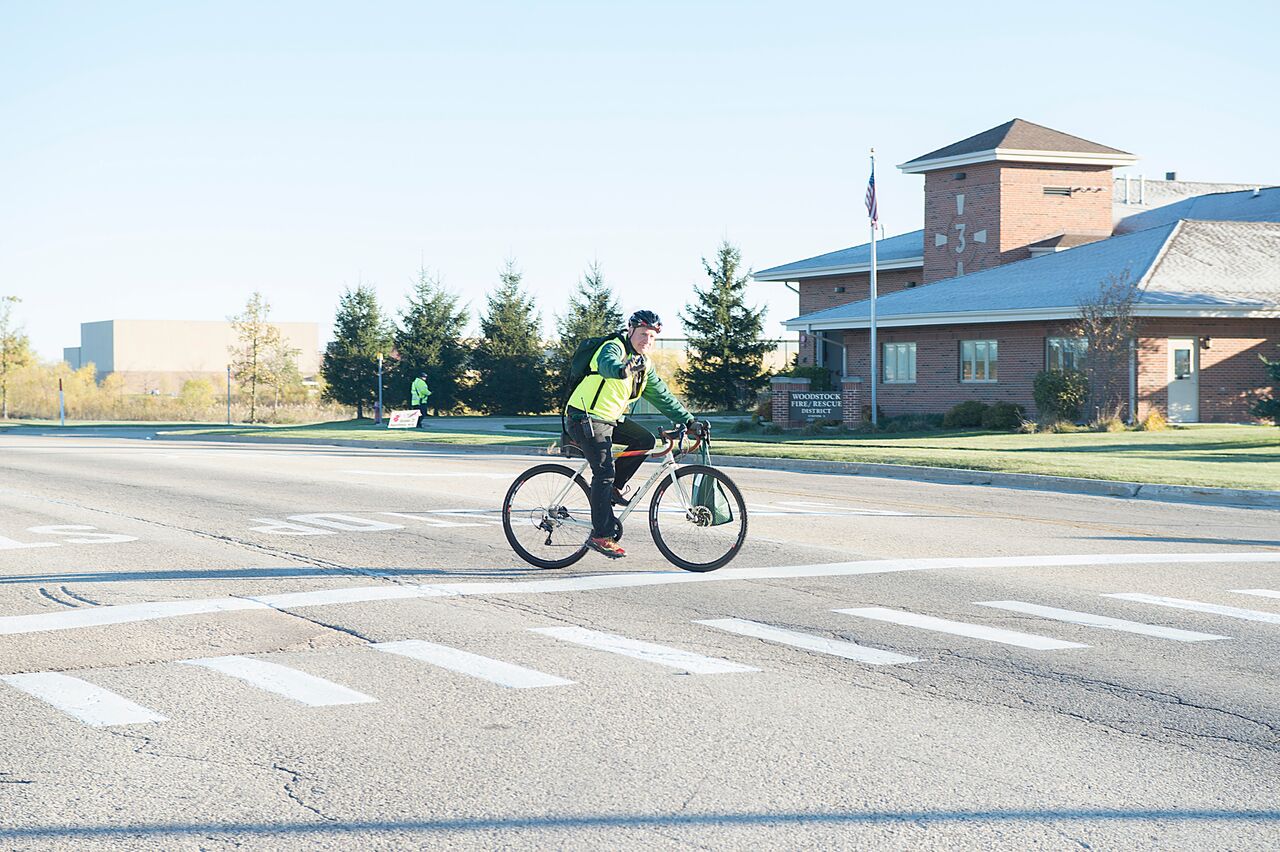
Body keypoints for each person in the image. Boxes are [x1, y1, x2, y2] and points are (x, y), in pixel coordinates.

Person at [565, 310, 708, 559]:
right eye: (643, 334)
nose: (647, 341)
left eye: (652, 337)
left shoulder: (644, 364)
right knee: (604, 472)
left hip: (610, 419)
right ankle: (601, 535)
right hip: (584, 416)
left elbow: (662, 396)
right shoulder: (613, 347)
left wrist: (689, 421)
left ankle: (612, 489)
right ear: (630, 331)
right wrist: (622, 369)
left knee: (644, 440)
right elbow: (607, 365)